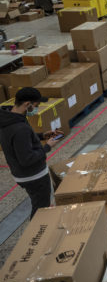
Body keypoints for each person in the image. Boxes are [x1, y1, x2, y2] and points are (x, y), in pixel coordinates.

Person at [0, 88, 63, 218]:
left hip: (21, 174)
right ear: (27, 104)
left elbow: (20, 141)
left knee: (40, 203)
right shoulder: (19, 128)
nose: (36, 109)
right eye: (36, 106)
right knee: (40, 209)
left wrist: (41, 136)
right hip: (34, 176)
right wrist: (47, 146)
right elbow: (27, 159)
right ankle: (37, 233)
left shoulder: (10, 117)